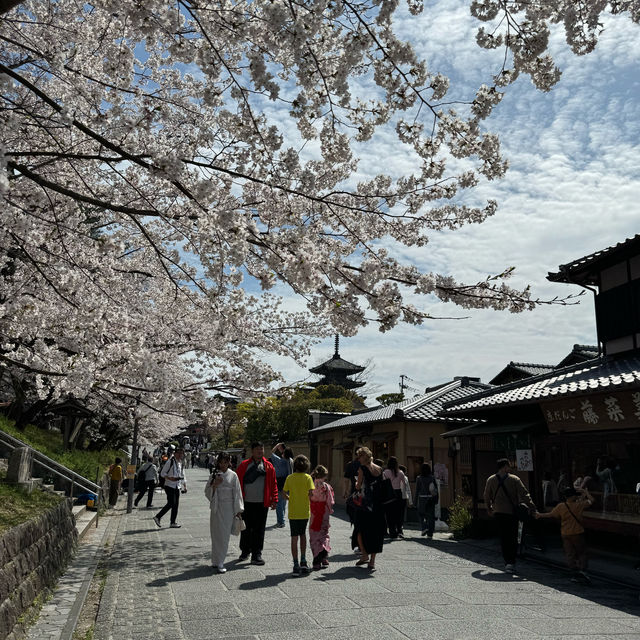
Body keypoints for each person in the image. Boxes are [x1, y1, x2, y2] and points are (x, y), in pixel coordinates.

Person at [483, 458, 536, 573]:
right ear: (505, 466)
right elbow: (524, 493)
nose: (510, 468)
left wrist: (488, 508)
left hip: (498, 512)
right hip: (511, 513)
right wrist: (532, 507)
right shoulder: (514, 479)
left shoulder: (491, 480)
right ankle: (511, 562)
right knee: (513, 537)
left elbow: (486, 496)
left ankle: (507, 561)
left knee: (503, 537)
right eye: (509, 466)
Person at [536, 486, 594, 584]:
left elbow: (550, 514)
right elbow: (592, 500)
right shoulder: (579, 505)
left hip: (565, 534)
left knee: (570, 554)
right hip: (577, 532)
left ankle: (574, 573)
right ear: (572, 496)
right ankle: (583, 570)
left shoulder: (561, 506)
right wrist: (586, 492)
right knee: (582, 552)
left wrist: (539, 515)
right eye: (575, 495)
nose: (576, 497)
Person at [235, 442, 278, 566]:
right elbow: (236, 484)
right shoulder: (244, 465)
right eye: (257, 449)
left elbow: (274, 484)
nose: (260, 451)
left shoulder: (269, 466)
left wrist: (274, 499)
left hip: (262, 503)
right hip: (246, 502)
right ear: (252, 451)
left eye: (262, 448)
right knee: (246, 528)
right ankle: (245, 551)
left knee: (259, 529)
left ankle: (257, 554)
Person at [205, 452, 244, 573]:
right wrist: (215, 485)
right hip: (217, 507)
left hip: (228, 508)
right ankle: (215, 560)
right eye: (221, 462)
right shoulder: (214, 474)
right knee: (216, 534)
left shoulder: (233, 475)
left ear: (229, 463)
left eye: (225, 462)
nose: (223, 465)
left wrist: (238, 510)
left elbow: (237, 493)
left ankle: (221, 561)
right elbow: (207, 491)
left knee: (224, 535)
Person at [354, 447, 385, 572]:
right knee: (376, 532)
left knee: (359, 528)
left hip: (366, 505)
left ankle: (364, 554)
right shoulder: (379, 469)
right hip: (379, 504)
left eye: (359, 456)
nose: (358, 458)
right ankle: (372, 561)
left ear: (364, 457)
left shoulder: (362, 469)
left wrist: (356, 483)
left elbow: (358, 486)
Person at [283, 455, 315, 575]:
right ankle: (303, 560)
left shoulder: (289, 478)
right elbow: (311, 493)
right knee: (303, 535)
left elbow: (284, 493)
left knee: (294, 537)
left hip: (293, 511)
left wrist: (290, 498)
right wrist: (305, 498)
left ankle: (295, 564)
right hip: (304, 511)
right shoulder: (308, 478)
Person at [153, 448, 187, 529]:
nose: (180, 455)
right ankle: (158, 516)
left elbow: (182, 474)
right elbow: (162, 473)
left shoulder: (180, 463)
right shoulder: (170, 461)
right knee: (171, 503)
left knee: (176, 505)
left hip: (177, 485)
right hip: (169, 485)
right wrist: (169, 478)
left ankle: (173, 522)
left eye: (181, 453)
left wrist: (185, 485)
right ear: (175, 453)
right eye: (178, 453)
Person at [309, 465, 335, 570]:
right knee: (324, 534)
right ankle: (324, 556)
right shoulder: (326, 487)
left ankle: (316, 559)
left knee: (314, 535)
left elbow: (308, 498)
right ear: (324, 475)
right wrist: (330, 510)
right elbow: (330, 501)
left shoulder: (310, 485)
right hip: (324, 512)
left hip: (314, 512)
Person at [383, 456, 407, 538]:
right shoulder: (400, 472)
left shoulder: (386, 472)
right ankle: (399, 530)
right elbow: (404, 484)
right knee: (398, 513)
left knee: (389, 514)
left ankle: (392, 531)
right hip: (398, 493)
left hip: (389, 494)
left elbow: (382, 483)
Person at [271, 442, 292, 528]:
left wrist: (276, 446)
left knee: (279, 503)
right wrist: (283, 449)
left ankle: (281, 521)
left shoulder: (279, 461)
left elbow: (271, 453)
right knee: (283, 503)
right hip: (288, 482)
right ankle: (282, 519)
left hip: (280, 482)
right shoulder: (290, 461)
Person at [415, 463, 438, 538]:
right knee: (431, 516)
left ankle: (424, 527)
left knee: (421, 515)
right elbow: (435, 489)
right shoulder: (432, 478)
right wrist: (436, 499)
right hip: (430, 498)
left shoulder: (419, 478)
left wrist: (415, 501)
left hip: (422, 499)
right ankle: (430, 533)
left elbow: (417, 490)